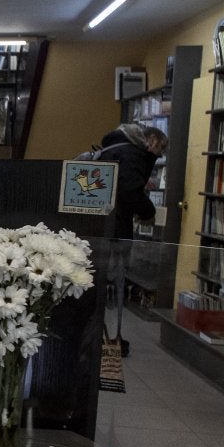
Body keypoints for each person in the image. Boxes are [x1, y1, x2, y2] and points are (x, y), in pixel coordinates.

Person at [96, 122, 167, 355]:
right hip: (115, 229)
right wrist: (148, 211)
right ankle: (111, 339)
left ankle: (101, 334)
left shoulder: (112, 148)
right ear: (152, 141)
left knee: (99, 284)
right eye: (161, 148)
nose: (160, 154)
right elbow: (130, 190)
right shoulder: (131, 154)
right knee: (115, 285)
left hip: (101, 226)